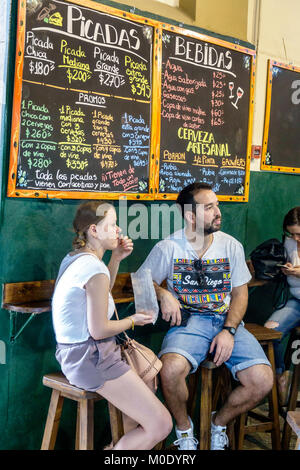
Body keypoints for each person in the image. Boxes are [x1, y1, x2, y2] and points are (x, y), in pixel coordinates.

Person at [136, 182, 273, 450]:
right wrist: (164, 294)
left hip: (226, 321)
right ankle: (185, 430)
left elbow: (240, 294)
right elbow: (142, 280)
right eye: (209, 207)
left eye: (217, 205)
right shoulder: (169, 247)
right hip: (189, 323)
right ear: (190, 216)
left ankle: (218, 422)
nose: (218, 212)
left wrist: (229, 330)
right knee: (171, 370)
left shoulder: (231, 246)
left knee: (262, 380)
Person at [52, 201, 172, 450]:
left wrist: (116, 258)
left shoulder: (74, 259)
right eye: (112, 224)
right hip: (91, 358)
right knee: (162, 425)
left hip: (76, 354)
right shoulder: (93, 268)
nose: (118, 230)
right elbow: (98, 330)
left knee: (146, 381)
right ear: (94, 230)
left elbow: (101, 292)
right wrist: (132, 320)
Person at [264, 206, 300, 404]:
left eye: (299, 234)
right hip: (296, 299)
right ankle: (281, 376)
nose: (295, 238)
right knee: (270, 331)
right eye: (291, 233)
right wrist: (287, 269)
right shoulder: (289, 243)